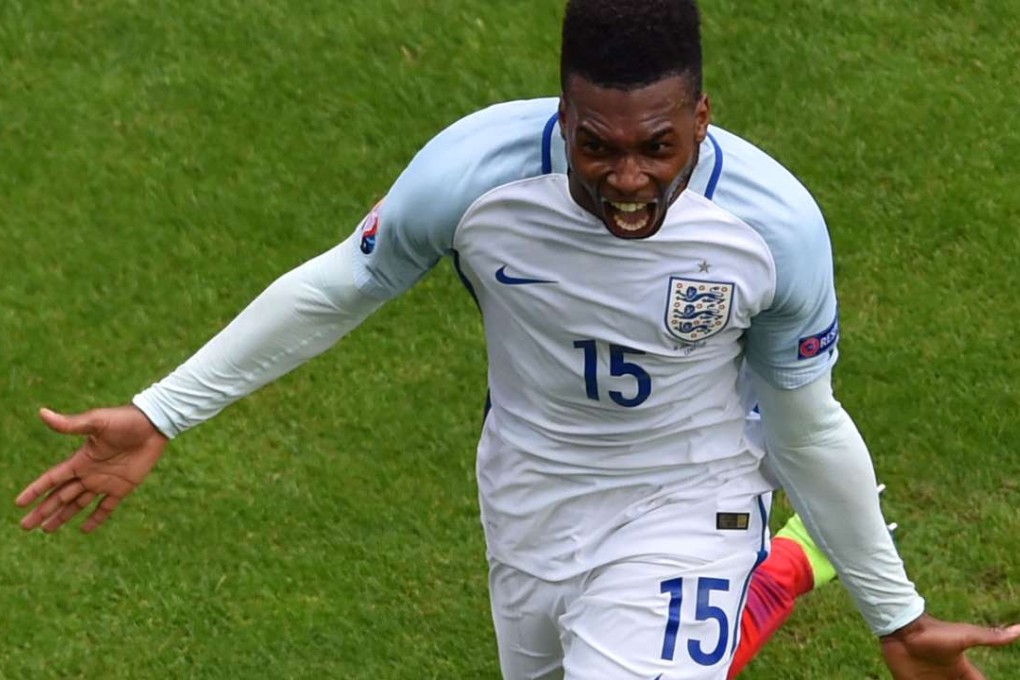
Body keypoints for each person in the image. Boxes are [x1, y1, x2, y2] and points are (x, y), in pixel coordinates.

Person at [15, 0, 1019, 678]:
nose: (629, 178)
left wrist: (897, 611)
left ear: (702, 118)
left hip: (693, 497)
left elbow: (805, 421)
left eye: (658, 147)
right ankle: (791, 569)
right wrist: (161, 412)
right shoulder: (476, 174)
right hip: (527, 506)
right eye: (599, 144)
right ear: (564, 111)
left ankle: (771, 562)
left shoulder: (774, 228)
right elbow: (340, 284)